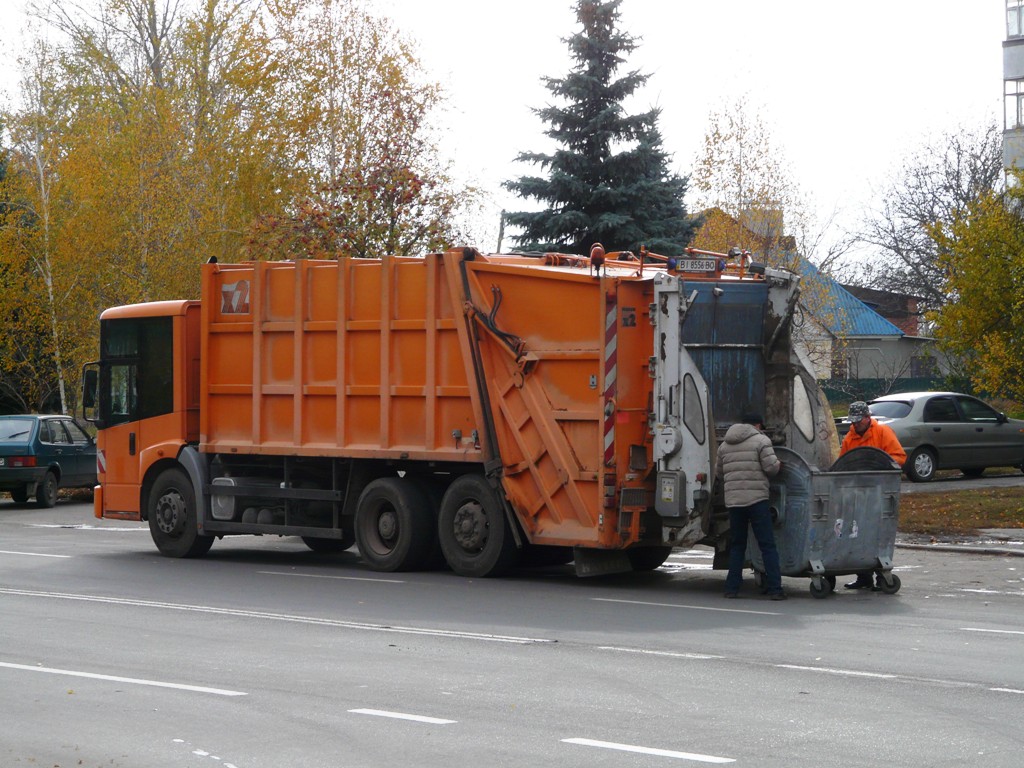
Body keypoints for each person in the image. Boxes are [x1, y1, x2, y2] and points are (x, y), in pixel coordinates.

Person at [716, 412, 785, 600]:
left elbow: (719, 473)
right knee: (767, 545)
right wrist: (779, 464)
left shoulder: (725, 445)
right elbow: (771, 468)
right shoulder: (761, 441)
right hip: (757, 501)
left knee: (737, 545)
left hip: (734, 502)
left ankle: (731, 589)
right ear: (758, 425)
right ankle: (775, 589)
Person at [839, 400, 908, 590]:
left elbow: (899, 457)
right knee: (857, 534)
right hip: (857, 494)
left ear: (868, 418)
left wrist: (878, 464)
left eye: (858, 421)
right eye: (853, 421)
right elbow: (842, 464)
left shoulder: (883, 433)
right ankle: (863, 577)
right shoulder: (849, 439)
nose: (855, 425)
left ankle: (881, 577)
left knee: (877, 535)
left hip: (880, 492)